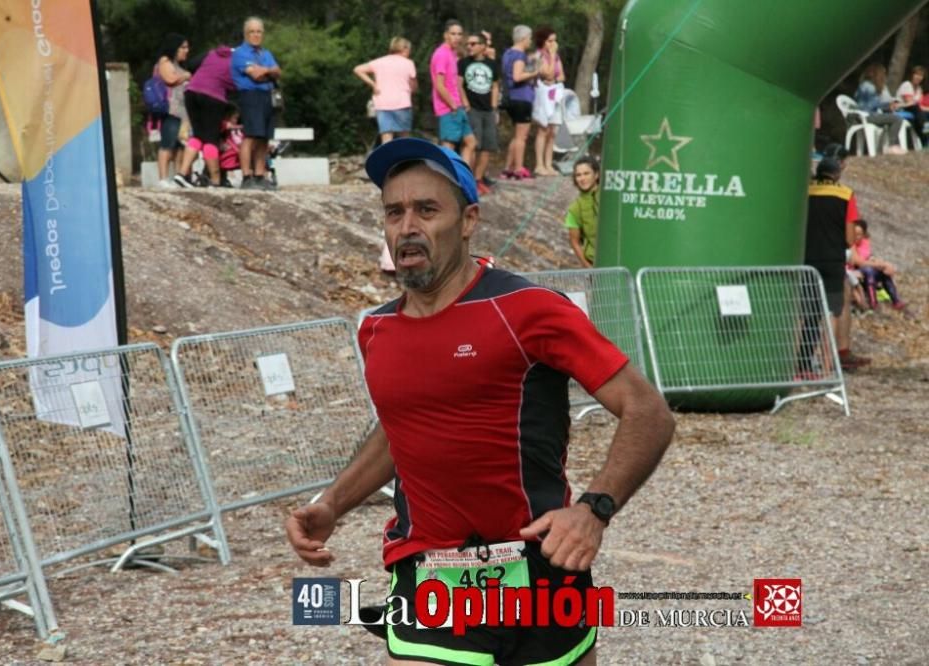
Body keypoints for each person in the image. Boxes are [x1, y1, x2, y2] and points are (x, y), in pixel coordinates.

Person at [285, 137, 675, 665]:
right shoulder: (377, 328)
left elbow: (647, 410)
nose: (407, 227)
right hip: (431, 575)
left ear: (468, 220)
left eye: (427, 210)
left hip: (541, 569)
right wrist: (332, 503)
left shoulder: (529, 309)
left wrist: (594, 510)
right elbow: (405, 428)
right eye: (394, 212)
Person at [798, 156, 870, 375]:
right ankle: (829, 367)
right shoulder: (845, 194)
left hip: (806, 258)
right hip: (832, 260)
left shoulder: (805, 191)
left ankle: (800, 365)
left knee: (805, 312)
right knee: (832, 311)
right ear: (837, 174)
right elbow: (849, 238)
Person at [173, 44, 237, 188]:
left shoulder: (212, 52)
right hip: (213, 97)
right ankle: (215, 181)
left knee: (198, 136)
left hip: (191, 92)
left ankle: (182, 174)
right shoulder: (238, 60)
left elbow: (191, 65)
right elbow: (238, 84)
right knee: (211, 139)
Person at [231, 17, 281, 190]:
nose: (256, 35)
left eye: (259, 31)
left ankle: (260, 175)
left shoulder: (266, 53)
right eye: (252, 31)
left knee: (264, 137)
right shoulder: (240, 53)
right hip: (250, 96)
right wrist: (269, 71)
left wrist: (266, 70)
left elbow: (277, 71)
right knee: (251, 136)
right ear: (246, 34)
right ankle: (247, 176)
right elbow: (255, 75)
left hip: (268, 96)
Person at [458, 31, 500, 196]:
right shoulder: (463, 63)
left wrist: (494, 108)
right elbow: (459, 84)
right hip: (472, 109)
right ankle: (467, 180)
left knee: (487, 146)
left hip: (488, 110)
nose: (470, 46)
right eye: (468, 44)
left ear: (483, 46)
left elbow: (495, 86)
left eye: (474, 44)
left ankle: (478, 179)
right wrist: (466, 104)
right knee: (473, 144)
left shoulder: (492, 64)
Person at [354, 37, 418, 144]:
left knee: (386, 137)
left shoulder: (380, 62)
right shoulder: (408, 63)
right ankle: (405, 159)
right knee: (404, 137)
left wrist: (373, 84)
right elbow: (413, 85)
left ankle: (388, 159)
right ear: (405, 49)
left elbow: (358, 69)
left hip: (382, 104)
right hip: (402, 103)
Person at [430, 20, 476, 162]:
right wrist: (452, 104)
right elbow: (439, 85)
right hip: (448, 108)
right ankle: (445, 180)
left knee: (470, 143)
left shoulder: (451, 53)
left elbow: (454, 82)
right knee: (448, 145)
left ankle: (462, 179)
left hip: (457, 106)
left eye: (459, 34)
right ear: (446, 35)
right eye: (453, 34)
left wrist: (461, 102)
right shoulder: (442, 54)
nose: (457, 37)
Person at [500, 25, 541, 180]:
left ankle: (507, 168)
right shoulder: (519, 55)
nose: (530, 41)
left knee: (516, 135)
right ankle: (518, 168)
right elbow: (517, 76)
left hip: (511, 97)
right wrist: (534, 72)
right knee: (521, 136)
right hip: (521, 97)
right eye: (529, 38)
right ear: (524, 38)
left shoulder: (507, 53)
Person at [849, 219, 910, 315]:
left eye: (859, 234)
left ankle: (896, 300)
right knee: (869, 270)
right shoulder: (850, 244)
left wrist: (881, 265)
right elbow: (858, 261)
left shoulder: (865, 243)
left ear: (863, 234)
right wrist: (881, 264)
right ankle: (873, 302)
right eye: (854, 234)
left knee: (883, 272)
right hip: (854, 269)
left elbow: (869, 257)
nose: (856, 237)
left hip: (864, 268)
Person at [153, 34, 191, 188]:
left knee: (180, 146)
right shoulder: (164, 61)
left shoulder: (179, 66)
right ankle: (162, 178)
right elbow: (170, 79)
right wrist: (186, 76)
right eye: (183, 47)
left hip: (182, 112)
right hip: (171, 110)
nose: (186, 51)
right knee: (167, 144)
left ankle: (178, 177)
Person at [531, 26, 566, 176]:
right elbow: (547, 73)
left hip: (555, 94)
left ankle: (548, 163)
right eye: (550, 40)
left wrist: (555, 78)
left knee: (553, 131)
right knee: (543, 129)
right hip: (543, 95)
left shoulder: (557, 56)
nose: (553, 44)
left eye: (554, 40)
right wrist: (551, 56)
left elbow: (561, 76)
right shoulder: (538, 56)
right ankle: (539, 165)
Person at [854, 63, 906, 151]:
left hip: (866, 115)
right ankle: (892, 146)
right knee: (897, 119)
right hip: (867, 116)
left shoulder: (865, 85)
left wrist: (888, 107)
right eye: (884, 74)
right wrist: (887, 106)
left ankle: (890, 146)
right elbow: (871, 106)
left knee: (892, 117)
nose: (885, 76)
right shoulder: (869, 87)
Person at [565, 156, 600, 267]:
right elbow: (574, 242)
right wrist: (588, 267)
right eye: (578, 175)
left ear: (596, 175)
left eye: (586, 173)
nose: (582, 178)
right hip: (595, 262)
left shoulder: (610, 195)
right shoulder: (575, 208)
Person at [895, 65, 926, 146]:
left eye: (921, 75)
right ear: (912, 75)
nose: (918, 77)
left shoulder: (919, 89)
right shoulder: (907, 85)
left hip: (915, 111)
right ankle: (925, 129)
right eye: (917, 74)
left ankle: (925, 136)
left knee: (921, 112)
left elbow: (920, 104)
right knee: (916, 108)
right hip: (902, 109)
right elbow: (909, 102)